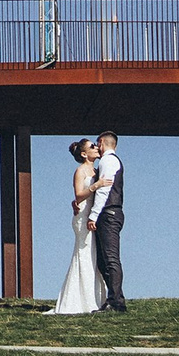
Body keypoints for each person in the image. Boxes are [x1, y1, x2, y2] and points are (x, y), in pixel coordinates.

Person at [49, 139, 103, 314]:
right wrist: (96, 185)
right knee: (84, 254)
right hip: (82, 217)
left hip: (94, 217)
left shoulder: (97, 170)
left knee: (93, 256)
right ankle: (80, 301)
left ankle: (96, 298)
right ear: (84, 154)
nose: (96, 148)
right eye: (92, 146)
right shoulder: (80, 171)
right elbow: (79, 195)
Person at [92, 132, 127, 312]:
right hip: (110, 213)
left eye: (97, 144)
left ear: (101, 142)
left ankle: (116, 302)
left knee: (111, 258)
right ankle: (115, 297)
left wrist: (93, 215)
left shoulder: (108, 161)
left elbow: (104, 191)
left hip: (109, 213)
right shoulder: (109, 161)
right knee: (103, 260)